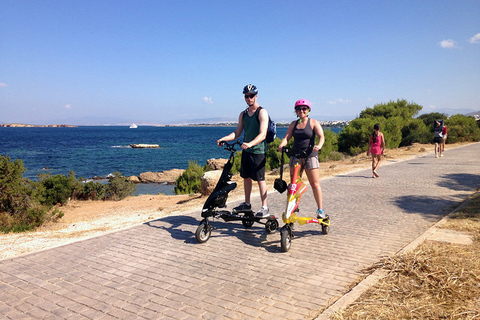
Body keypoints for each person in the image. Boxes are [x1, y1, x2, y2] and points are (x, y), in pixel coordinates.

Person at [217, 84, 270, 218]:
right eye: (246, 96)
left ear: (256, 96)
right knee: (246, 178)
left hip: (258, 151)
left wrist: (250, 144)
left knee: (260, 179)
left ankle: (264, 207)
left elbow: (263, 134)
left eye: (251, 96)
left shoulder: (262, 112)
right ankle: (247, 204)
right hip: (247, 151)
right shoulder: (243, 114)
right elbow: (237, 132)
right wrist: (224, 138)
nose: (249, 98)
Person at [277, 99, 327, 220]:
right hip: (296, 156)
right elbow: (287, 137)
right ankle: (292, 208)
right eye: (299, 109)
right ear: (296, 111)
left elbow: (321, 136)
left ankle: (320, 209)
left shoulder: (313, 122)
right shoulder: (293, 124)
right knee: (294, 185)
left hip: (310, 156)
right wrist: (282, 145)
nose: (301, 111)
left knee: (315, 184)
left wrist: (319, 146)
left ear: (308, 110)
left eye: (304, 108)